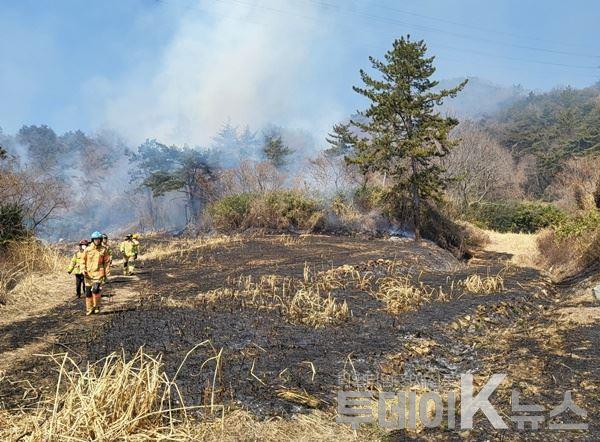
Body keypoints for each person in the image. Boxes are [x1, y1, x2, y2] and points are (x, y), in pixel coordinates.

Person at [82, 231, 111, 315]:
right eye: (95, 239)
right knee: (88, 293)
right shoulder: (87, 249)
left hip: (99, 273)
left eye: (98, 239)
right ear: (92, 240)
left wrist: (106, 273)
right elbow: (82, 261)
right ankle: (89, 308)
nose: (97, 241)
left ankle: (97, 306)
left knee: (95, 290)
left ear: (101, 240)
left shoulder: (103, 250)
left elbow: (106, 262)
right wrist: (83, 269)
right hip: (88, 274)